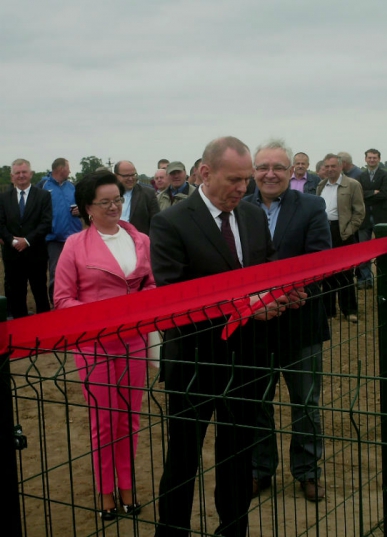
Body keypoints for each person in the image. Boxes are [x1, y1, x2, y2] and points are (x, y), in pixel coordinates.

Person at [150, 136, 304, 537]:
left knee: (237, 454)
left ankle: (233, 527)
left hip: (247, 358)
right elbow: (174, 298)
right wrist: (250, 306)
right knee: (183, 457)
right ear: (205, 173)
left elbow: (268, 270)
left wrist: (283, 294)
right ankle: (173, 529)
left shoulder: (252, 216)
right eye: (234, 179)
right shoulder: (171, 222)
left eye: (245, 179)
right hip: (195, 361)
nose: (243, 187)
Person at [54, 170, 156, 520]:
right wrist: (104, 314)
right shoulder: (74, 245)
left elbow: (151, 285)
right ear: (88, 208)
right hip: (94, 343)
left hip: (135, 341)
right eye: (105, 202)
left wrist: (144, 304)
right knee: (103, 420)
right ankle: (105, 492)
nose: (114, 206)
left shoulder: (140, 239)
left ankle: (127, 486)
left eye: (118, 199)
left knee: (129, 418)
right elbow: (62, 299)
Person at [246, 139, 331, 502]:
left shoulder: (312, 205)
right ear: (253, 171)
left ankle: (307, 471)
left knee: (306, 402)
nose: (270, 174)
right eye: (263, 167)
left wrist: (282, 294)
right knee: (256, 402)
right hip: (254, 324)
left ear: (291, 171)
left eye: (278, 167)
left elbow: (320, 260)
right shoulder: (238, 209)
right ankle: (259, 470)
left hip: (300, 320)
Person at [0, 159, 52, 318]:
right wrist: (13, 241)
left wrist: (27, 241)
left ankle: (45, 327)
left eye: (24, 172)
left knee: (40, 293)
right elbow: (0, 223)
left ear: (31, 174)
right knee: (16, 295)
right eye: (17, 173)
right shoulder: (3, 198)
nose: (21, 175)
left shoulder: (43, 196)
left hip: (36, 253)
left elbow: (46, 223)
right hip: (12, 254)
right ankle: (20, 331)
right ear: (12, 176)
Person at [317, 153, 365, 323]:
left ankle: (349, 310)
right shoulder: (321, 185)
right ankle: (328, 311)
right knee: (326, 273)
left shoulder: (352, 185)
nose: (330, 169)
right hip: (325, 232)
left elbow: (359, 212)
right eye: (327, 167)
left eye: (333, 166)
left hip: (342, 232)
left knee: (345, 273)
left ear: (340, 166)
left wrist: (348, 230)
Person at [42, 158, 82, 304]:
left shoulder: (72, 186)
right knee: (56, 272)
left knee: (78, 270)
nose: (70, 171)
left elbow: (82, 205)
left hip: (74, 237)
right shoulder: (44, 186)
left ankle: (76, 299)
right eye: (68, 168)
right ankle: (56, 302)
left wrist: (80, 210)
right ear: (60, 169)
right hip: (54, 239)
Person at [356, 149, 387, 289]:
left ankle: (384, 279)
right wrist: (373, 192)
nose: (372, 160)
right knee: (363, 250)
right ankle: (365, 279)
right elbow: (358, 194)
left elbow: (385, 194)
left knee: (383, 250)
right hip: (364, 218)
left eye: (374, 158)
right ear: (365, 159)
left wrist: (367, 194)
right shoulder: (360, 177)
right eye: (369, 158)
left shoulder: (386, 175)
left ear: (379, 159)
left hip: (382, 217)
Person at [114, 160, 160, 235]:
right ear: (116, 176)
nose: (131, 179)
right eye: (126, 176)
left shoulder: (148, 194)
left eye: (133, 175)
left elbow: (157, 224)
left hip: (139, 243)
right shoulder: (108, 194)